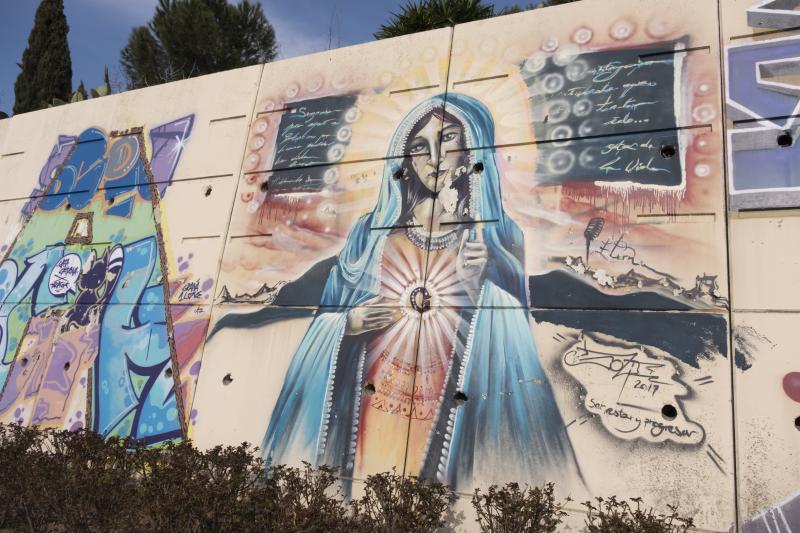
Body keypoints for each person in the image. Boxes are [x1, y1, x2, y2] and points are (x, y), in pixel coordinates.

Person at [245, 93, 582, 491]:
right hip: (370, 397)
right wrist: (346, 323)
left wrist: (481, 286)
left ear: (474, 147)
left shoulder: (499, 235)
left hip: (454, 403)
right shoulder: (370, 234)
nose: (433, 156)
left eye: (449, 138)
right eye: (419, 146)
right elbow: (330, 310)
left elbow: (514, 336)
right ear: (404, 159)